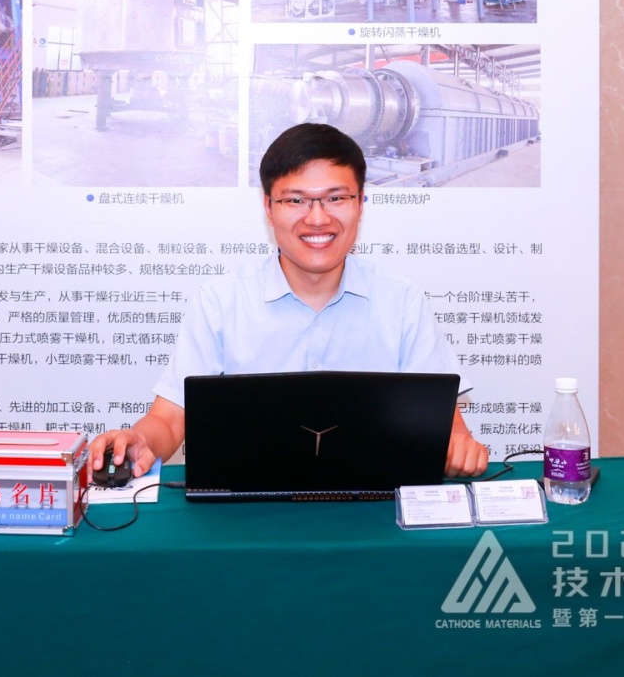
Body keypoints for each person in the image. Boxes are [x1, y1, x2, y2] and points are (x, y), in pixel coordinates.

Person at [90, 123, 489, 479]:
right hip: (247, 515)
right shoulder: (220, 303)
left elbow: (447, 425)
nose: (317, 218)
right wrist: (140, 440)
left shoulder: (402, 301)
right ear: (268, 207)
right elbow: (170, 418)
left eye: (336, 198)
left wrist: (459, 446)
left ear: (360, 203)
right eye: (295, 200)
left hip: (377, 513)